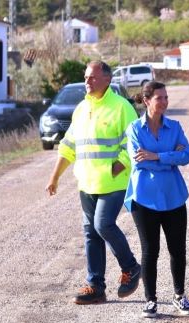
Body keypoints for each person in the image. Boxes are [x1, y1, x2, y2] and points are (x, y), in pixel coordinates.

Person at [46, 60, 141, 305]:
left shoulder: (121, 107)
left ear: (107, 80)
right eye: (86, 77)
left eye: (93, 78)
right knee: (91, 232)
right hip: (86, 183)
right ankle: (95, 286)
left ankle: (130, 267)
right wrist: (55, 177)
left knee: (103, 225)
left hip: (113, 182)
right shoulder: (81, 109)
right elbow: (68, 146)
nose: (87, 81)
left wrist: (116, 167)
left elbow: (131, 143)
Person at [124, 81, 189, 318]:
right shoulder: (134, 128)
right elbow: (137, 161)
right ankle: (150, 300)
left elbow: (186, 156)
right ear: (146, 101)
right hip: (144, 198)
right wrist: (169, 157)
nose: (164, 102)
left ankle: (179, 296)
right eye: (159, 98)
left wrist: (156, 155)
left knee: (178, 250)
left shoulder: (175, 127)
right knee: (149, 250)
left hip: (174, 197)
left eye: (166, 97)